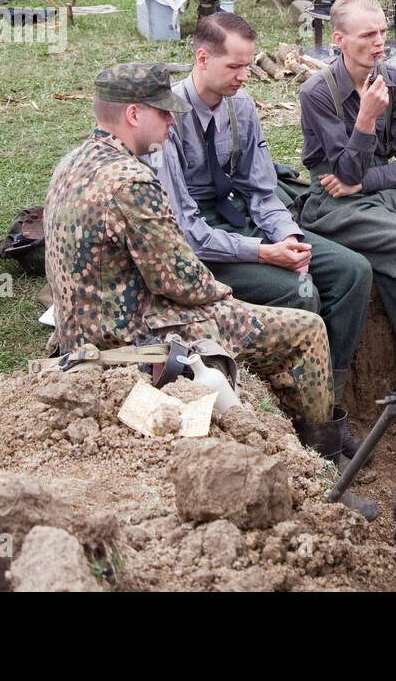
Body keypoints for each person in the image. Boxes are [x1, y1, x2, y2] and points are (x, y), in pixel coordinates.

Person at [43, 62, 337, 442]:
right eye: (163, 112)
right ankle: (322, 457)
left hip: (85, 334)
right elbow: (182, 280)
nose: (172, 121)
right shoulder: (131, 182)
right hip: (132, 339)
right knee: (308, 330)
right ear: (133, 115)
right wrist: (227, 297)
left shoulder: (72, 162)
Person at [149, 14, 373, 455]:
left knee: (354, 272)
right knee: (300, 293)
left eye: (249, 65)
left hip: (243, 219)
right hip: (207, 241)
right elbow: (187, 231)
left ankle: (331, 399)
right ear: (202, 58)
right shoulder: (167, 117)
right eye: (234, 66)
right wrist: (264, 253)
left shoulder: (242, 107)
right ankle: (306, 420)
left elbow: (262, 191)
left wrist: (289, 237)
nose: (244, 76)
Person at [298, 0, 396, 358]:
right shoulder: (317, 92)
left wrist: (366, 182)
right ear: (339, 40)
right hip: (333, 205)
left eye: (381, 31)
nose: (379, 42)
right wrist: (365, 119)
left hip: (382, 194)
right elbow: (343, 174)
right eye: (367, 35)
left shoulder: (395, 81)